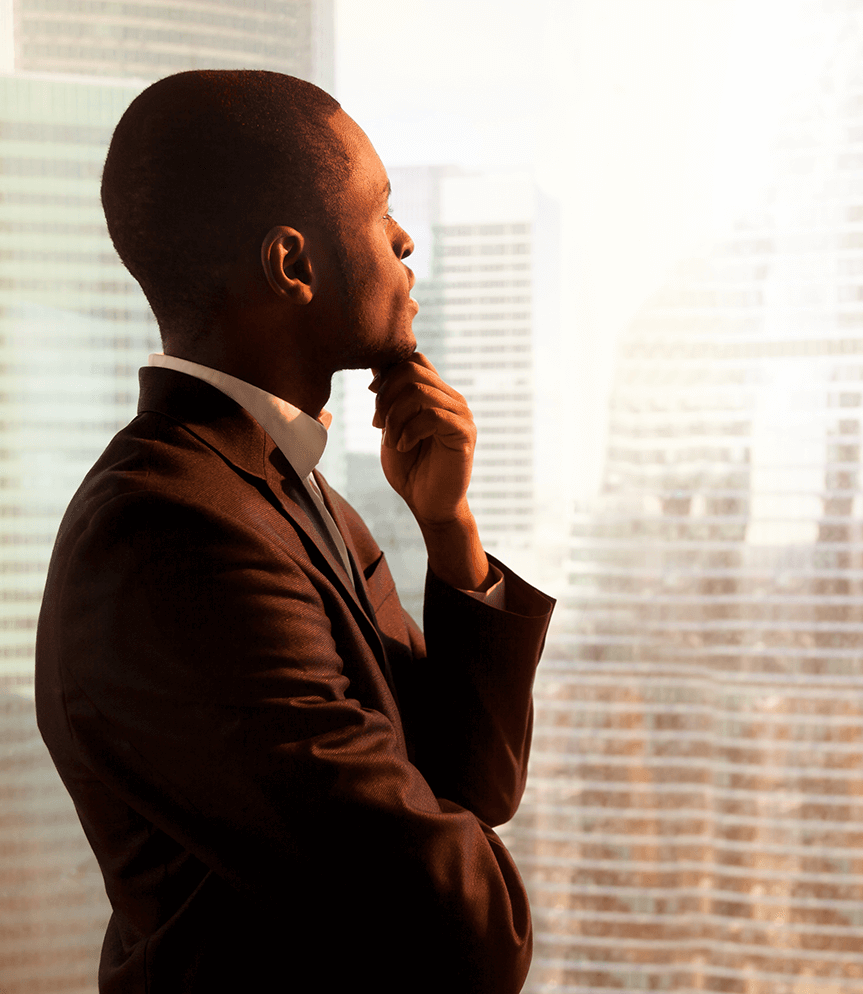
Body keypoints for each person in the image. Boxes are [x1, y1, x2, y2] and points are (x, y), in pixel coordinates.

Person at [34, 70, 552, 992]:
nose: (404, 240)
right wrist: (443, 833)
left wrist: (448, 529)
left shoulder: (292, 495)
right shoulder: (174, 535)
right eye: (380, 209)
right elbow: (465, 930)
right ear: (293, 266)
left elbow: (473, 786)